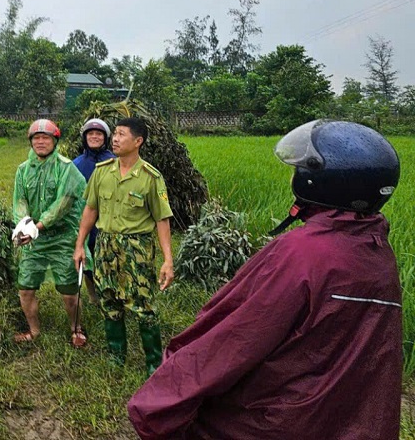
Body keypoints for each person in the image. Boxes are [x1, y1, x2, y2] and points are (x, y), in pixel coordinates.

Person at [127, 119, 402, 440]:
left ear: (319, 181)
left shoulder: (299, 252)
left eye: (299, 171)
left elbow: (231, 337)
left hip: (275, 423)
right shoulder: (378, 253)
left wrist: (159, 403)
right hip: (342, 421)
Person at [74, 117, 174, 373]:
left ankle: (153, 361)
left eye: (121, 134)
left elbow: (162, 219)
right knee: (109, 300)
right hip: (105, 246)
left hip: (136, 248)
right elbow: (90, 210)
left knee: (143, 305)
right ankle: (116, 355)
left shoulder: (151, 177)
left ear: (138, 141)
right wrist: (80, 245)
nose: (115, 139)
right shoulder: (102, 172)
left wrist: (167, 260)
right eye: (114, 134)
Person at [12, 119, 89, 347]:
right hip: (35, 238)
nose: (41, 142)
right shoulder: (23, 170)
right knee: (25, 287)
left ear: (55, 141)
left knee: (69, 291)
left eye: (46, 138)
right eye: (36, 138)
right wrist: (24, 225)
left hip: (63, 237)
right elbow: (20, 200)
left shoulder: (67, 168)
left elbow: (62, 204)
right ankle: (34, 330)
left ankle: (76, 329)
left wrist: (38, 226)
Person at [72, 118, 116, 304]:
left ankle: (112, 293)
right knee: (88, 256)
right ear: (84, 137)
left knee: (110, 256)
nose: (95, 137)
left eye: (99, 134)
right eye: (91, 134)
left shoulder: (114, 161)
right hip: (85, 217)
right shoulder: (76, 164)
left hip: (109, 218)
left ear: (105, 138)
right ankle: (92, 294)